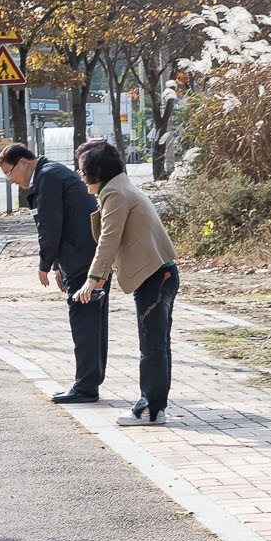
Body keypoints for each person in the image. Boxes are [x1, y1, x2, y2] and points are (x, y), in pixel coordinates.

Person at [72, 138, 178, 426]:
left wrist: (92, 280)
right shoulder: (120, 185)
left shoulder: (116, 194)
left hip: (154, 277)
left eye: (83, 171)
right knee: (157, 344)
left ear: (97, 171)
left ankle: (151, 409)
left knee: (152, 346)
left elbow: (108, 239)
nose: (81, 178)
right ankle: (155, 408)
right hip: (160, 274)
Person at [0, 141, 105, 403]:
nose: (11, 180)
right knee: (93, 322)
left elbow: (51, 225)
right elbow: (63, 221)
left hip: (83, 260)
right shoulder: (52, 173)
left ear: (22, 162)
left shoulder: (48, 178)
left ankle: (86, 387)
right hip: (86, 258)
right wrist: (58, 266)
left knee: (85, 323)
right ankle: (89, 381)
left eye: (9, 173)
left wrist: (44, 264)